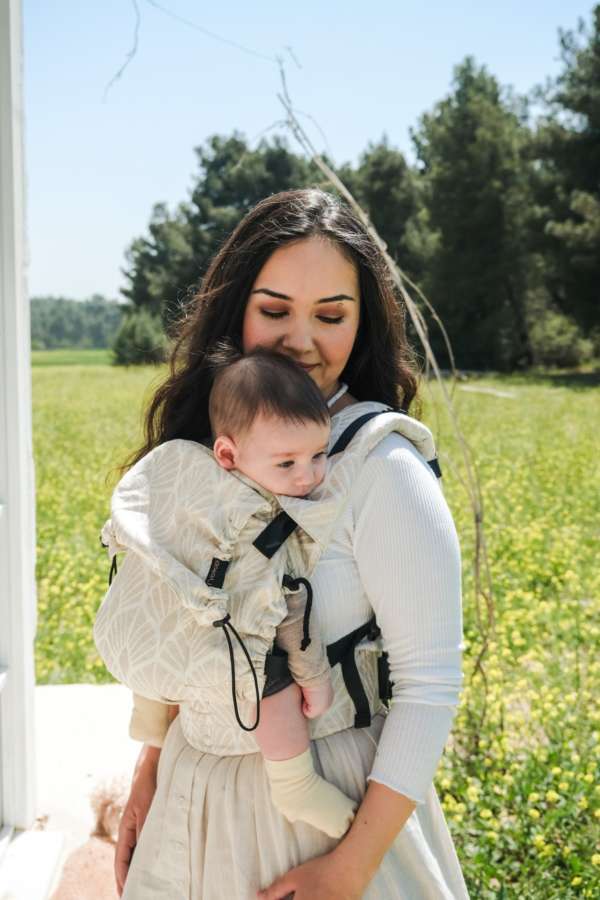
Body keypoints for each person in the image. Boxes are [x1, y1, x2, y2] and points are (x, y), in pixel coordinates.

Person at [113, 187, 469, 899]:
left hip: (327, 823)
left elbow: (431, 687)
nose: (301, 339)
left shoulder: (382, 467)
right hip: (190, 802)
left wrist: (351, 868)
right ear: (236, 309)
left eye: (331, 316)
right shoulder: (204, 454)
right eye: (274, 310)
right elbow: (189, 631)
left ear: (362, 325)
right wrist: (148, 776)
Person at [99, 344, 359, 839]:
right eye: (287, 464)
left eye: (320, 455)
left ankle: (149, 726)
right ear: (227, 454)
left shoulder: (181, 468)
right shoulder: (268, 517)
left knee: (162, 627)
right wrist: (316, 680)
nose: (307, 476)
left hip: (143, 646)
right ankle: (294, 783)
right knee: (271, 684)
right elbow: (290, 612)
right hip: (217, 654)